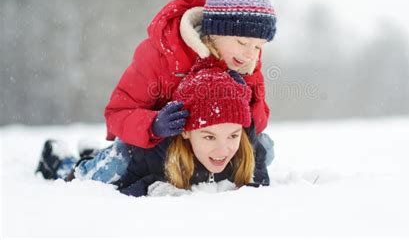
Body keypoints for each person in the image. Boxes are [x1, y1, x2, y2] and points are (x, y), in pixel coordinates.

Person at [103, 0, 276, 166]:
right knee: (117, 164)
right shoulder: (161, 53)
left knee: (265, 148)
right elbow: (117, 113)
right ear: (215, 32)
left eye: (258, 46)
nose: (250, 54)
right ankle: (65, 162)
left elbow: (258, 126)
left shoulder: (245, 62)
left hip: (212, 149)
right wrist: (153, 124)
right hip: (158, 149)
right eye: (242, 42)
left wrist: (246, 89)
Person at [36, 56, 269, 197]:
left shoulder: (245, 147)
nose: (222, 150)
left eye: (233, 135)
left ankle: (92, 151)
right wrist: (154, 187)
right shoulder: (156, 154)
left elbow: (258, 174)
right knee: (96, 175)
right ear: (185, 131)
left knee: (269, 146)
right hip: (131, 151)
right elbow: (127, 187)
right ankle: (61, 158)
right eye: (209, 137)